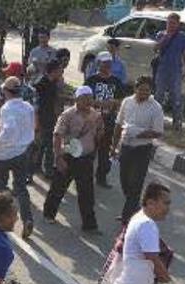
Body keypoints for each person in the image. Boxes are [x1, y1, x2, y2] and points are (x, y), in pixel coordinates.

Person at [43, 85, 103, 233]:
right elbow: (57, 135)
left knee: (87, 193)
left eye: (90, 98)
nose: (88, 101)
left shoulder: (95, 115)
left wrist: (101, 131)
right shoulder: (68, 114)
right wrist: (58, 158)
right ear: (77, 99)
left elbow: (98, 135)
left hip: (86, 159)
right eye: (84, 98)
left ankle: (89, 225)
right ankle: (49, 214)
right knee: (58, 188)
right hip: (68, 157)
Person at [113, 75, 164, 223]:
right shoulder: (127, 102)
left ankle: (127, 217)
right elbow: (118, 124)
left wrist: (138, 133)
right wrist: (114, 146)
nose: (144, 93)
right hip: (126, 147)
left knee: (136, 184)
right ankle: (134, 207)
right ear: (135, 89)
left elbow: (158, 132)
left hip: (142, 149)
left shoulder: (155, 107)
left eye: (147, 91)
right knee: (125, 182)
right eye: (141, 90)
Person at [0, 77, 36, 239]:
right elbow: (32, 127)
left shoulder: (7, 108)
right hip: (22, 152)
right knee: (21, 188)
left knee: (0, 187)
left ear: (6, 92)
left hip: (5, 154)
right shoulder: (28, 107)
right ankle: (27, 219)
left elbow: (9, 130)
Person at [113, 183, 172, 284]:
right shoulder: (147, 224)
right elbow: (153, 260)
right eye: (166, 203)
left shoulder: (138, 217)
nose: (168, 209)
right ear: (150, 203)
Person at [85, 51, 125, 189]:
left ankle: (101, 177)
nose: (107, 66)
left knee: (103, 152)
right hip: (91, 122)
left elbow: (121, 100)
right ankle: (84, 177)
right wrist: (100, 103)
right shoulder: (91, 80)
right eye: (104, 63)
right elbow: (85, 100)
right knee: (89, 151)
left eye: (109, 63)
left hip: (108, 122)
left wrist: (114, 102)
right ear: (98, 63)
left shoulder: (116, 81)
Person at [154, 13, 185, 131]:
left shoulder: (182, 37)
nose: (170, 25)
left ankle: (177, 121)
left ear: (178, 24)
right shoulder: (161, 34)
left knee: (176, 97)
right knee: (159, 95)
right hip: (162, 69)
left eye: (173, 23)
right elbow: (156, 48)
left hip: (176, 71)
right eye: (169, 23)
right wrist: (165, 37)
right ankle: (156, 120)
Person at [32, 59, 63, 179]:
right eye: (60, 69)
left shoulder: (53, 82)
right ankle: (46, 169)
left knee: (46, 143)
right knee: (47, 144)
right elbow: (36, 104)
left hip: (51, 117)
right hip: (42, 118)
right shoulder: (41, 84)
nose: (62, 71)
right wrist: (37, 122)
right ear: (54, 71)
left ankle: (38, 165)